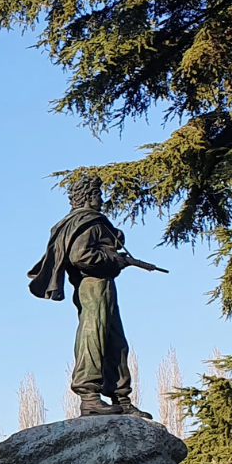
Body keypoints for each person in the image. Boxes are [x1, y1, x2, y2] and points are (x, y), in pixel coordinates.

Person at [28, 175, 163, 418]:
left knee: (115, 340)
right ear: (89, 197)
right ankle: (89, 395)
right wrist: (116, 260)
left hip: (100, 285)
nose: (101, 200)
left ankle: (120, 398)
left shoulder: (83, 222)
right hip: (93, 285)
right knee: (94, 334)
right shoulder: (86, 222)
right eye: (98, 195)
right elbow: (81, 256)